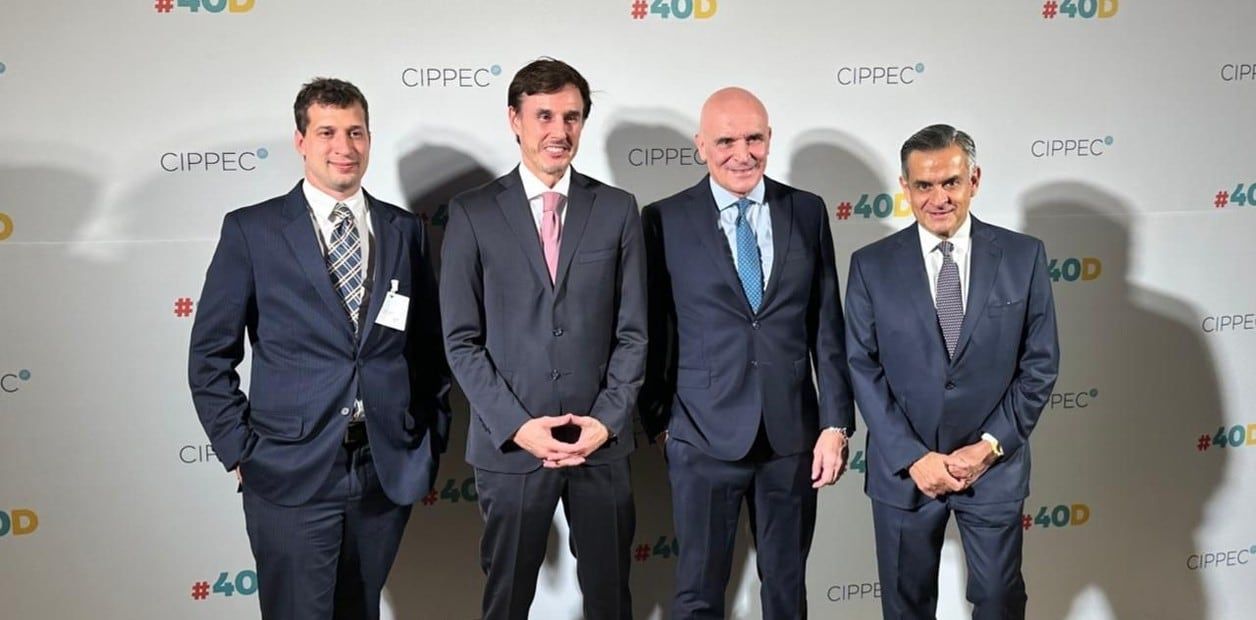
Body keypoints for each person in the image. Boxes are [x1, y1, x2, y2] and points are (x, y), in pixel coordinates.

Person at [188, 77, 450, 620]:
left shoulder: (404, 230)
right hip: (289, 470)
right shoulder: (252, 230)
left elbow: (429, 349)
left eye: (355, 132)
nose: (344, 147)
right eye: (327, 132)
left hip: (382, 468)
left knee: (361, 610)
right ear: (301, 141)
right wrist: (240, 450)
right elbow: (210, 356)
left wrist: (427, 437)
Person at [438, 58, 646, 620]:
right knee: (507, 600)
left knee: (610, 598)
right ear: (515, 119)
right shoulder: (472, 213)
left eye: (572, 117)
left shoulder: (617, 209)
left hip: (600, 444)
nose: (560, 130)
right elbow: (460, 340)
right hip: (511, 445)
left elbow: (633, 333)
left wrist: (606, 422)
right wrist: (518, 426)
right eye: (545, 115)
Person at [639, 87, 854, 619]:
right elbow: (652, 330)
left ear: (770, 138)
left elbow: (826, 326)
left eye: (754, 138)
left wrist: (835, 424)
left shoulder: (806, 211)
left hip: (791, 439)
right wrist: (661, 424)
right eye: (726, 141)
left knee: (787, 593)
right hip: (700, 437)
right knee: (697, 595)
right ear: (701, 145)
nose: (743, 153)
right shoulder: (664, 219)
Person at [844, 124, 1059, 619]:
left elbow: (1040, 363)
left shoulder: (1023, 257)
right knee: (906, 608)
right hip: (905, 472)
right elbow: (861, 365)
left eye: (951, 183)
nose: (938, 198)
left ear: (974, 181)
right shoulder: (871, 265)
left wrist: (988, 447)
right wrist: (913, 456)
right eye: (924, 185)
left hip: (993, 467)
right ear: (905, 187)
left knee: (1000, 601)